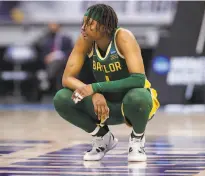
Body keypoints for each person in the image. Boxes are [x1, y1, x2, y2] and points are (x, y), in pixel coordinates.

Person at [53, 4, 160, 162]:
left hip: (132, 105)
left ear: (103, 27)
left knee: (138, 96)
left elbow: (138, 79)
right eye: (83, 22)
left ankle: (137, 140)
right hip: (104, 106)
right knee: (62, 98)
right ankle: (102, 137)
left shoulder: (123, 37)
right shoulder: (85, 39)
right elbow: (67, 78)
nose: (83, 27)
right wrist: (94, 93)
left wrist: (96, 87)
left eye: (89, 23)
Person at [37, 22, 73, 91]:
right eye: (51, 25)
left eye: (54, 24)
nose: (52, 27)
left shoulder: (66, 38)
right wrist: (47, 57)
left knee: (58, 62)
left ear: (59, 26)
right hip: (49, 62)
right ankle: (48, 76)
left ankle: (47, 76)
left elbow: (70, 52)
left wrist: (57, 54)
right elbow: (42, 52)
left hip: (64, 60)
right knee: (56, 64)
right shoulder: (45, 39)